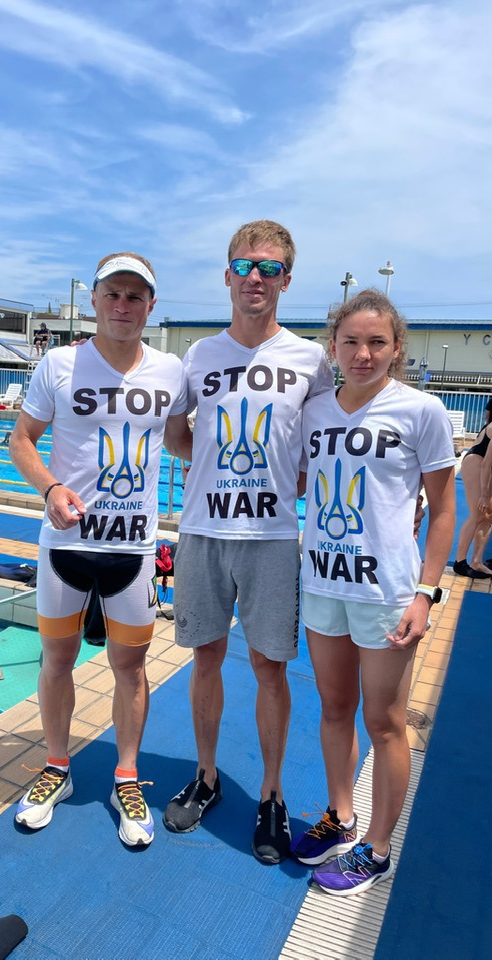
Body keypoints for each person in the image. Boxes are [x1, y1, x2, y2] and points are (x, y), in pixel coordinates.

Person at [162, 220, 334, 863]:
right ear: (227, 275)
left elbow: (322, 443)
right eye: (243, 266)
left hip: (271, 539)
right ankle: (207, 778)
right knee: (204, 658)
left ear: (286, 279)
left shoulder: (310, 360)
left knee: (269, 668)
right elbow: (177, 433)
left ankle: (271, 793)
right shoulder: (198, 356)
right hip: (203, 532)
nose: (254, 277)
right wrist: (211, 464)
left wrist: (289, 476)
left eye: (268, 267)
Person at [9, 252, 188, 847]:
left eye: (135, 296)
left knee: (130, 668)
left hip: (133, 552)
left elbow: (185, 442)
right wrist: (49, 488)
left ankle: (126, 776)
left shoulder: (170, 372)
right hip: (64, 545)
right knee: (56, 661)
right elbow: (21, 440)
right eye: (113, 293)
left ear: (150, 306)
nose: (122, 305)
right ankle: (56, 766)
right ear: (94, 299)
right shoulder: (59, 364)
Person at [290, 289, 456, 895]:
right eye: (351, 342)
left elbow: (443, 510)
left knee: (384, 722)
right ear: (332, 346)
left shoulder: (421, 411)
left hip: (387, 593)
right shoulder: (313, 411)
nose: (363, 354)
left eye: (376, 342)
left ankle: (378, 849)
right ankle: (341, 816)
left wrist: (426, 593)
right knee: (334, 708)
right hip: (322, 584)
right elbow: (299, 482)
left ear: (396, 347)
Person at [452, 397, 492, 579]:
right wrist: (485, 494)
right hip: (477, 462)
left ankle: (477, 561)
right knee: (478, 515)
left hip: (486, 467)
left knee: (489, 516)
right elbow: (486, 464)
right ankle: (460, 562)